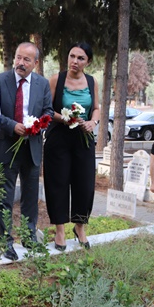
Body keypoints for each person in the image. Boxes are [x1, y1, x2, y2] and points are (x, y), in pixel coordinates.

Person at [0, 42, 53, 260]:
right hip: (5, 146)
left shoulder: (42, 84)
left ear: (36, 63)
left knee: (30, 195)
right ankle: (5, 241)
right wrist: (11, 125)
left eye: (27, 60)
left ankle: (28, 237)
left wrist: (38, 126)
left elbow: (48, 112)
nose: (20, 63)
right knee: (4, 197)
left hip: (32, 148)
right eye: (18, 57)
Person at [43, 42, 100, 251]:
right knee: (57, 183)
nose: (75, 61)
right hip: (59, 137)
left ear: (88, 62)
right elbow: (47, 110)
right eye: (72, 56)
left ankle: (80, 227)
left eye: (81, 58)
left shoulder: (92, 82)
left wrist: (93, 122)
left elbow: (96, 108)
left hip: (83, 139)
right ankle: (59, 230)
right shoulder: (56, 80)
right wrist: (65, 118)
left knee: (84, 184)